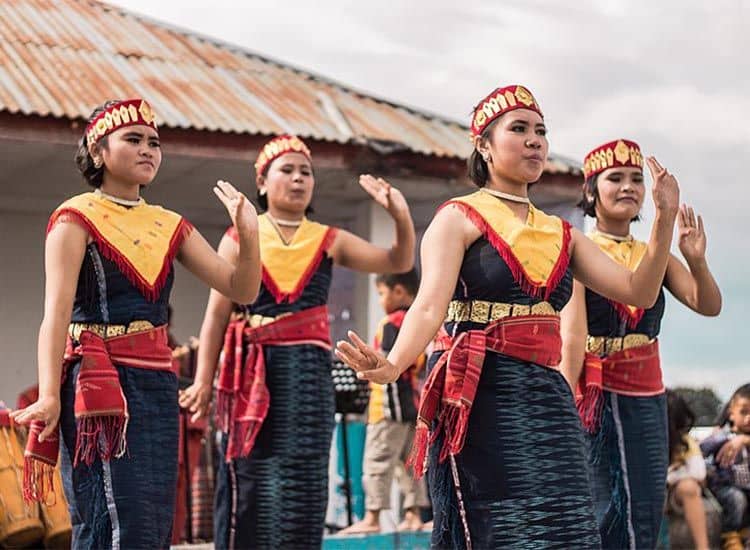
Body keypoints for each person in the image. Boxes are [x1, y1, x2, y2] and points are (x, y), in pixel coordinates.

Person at [335, 84, 680, 549]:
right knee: (500, 527)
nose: (535, 140)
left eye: (541, 131)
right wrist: (394, 363)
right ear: (484, 145)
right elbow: (430, 305)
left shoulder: (563, 234)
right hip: (479, 392)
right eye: (519, 129)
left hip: (546, 393)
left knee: (568, 526)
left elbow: (638, 288)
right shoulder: (458, 217)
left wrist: (663, 221)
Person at [10, 99, 261, 549]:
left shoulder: (170, 224)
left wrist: (249, 234)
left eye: (154, 142)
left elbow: (241, 289)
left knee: (152, 518)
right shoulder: (75, 218)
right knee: (107, 514)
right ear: (98, 149)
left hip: (157, 385)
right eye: (134, 140)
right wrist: (49, 394)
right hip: (98, 386)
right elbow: (56, 313)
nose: (148, 150)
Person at [178, 134, 415, 549]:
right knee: (253, 474)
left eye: (305, 171)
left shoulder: (327, 239)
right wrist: (201, 380)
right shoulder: (240, 236)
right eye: (286, 170)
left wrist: (400, 216)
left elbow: (398, 261)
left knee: (305, 476)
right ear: (263, 182)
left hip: (308, 375)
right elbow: (217, 313)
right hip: (255, 373)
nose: (298, 178)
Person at [560, 139, 721, 549]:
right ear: (591, 191)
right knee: (601, 499)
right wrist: (563, 403)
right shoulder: (579, 249)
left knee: (645, 501)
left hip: (647, 393)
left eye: (636, 179)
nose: (628, 186)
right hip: (596, 391)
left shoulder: (655, 255)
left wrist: (696, 260)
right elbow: (573, 334)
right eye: (615, 178)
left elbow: (708, 305)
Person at [340, 269, 429, 534]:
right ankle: (413, 514)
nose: (380, 299)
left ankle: (373, 516)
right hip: (412, 405)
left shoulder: (392, 322)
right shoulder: (417, 323)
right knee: (409, 462)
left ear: (399, 291)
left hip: (389, 406)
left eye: (381, 293)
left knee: (377, 460)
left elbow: (390, 362)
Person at [701, 383, 750, 550]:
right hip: (726, 485)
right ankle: (730, 535)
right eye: (743, 412)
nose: (748, 418)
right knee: (737, 499)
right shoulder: (722, 436)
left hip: (746, 486)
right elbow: (701, 450)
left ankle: (744, 532)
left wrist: (744, 440)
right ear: (731, 412)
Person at [665, 389, 710, 550]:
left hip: (672, 493)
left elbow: (698, 473)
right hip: (651, 492)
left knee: (689, 486)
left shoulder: (686, 442)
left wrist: (670, 476)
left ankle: (703, 547)